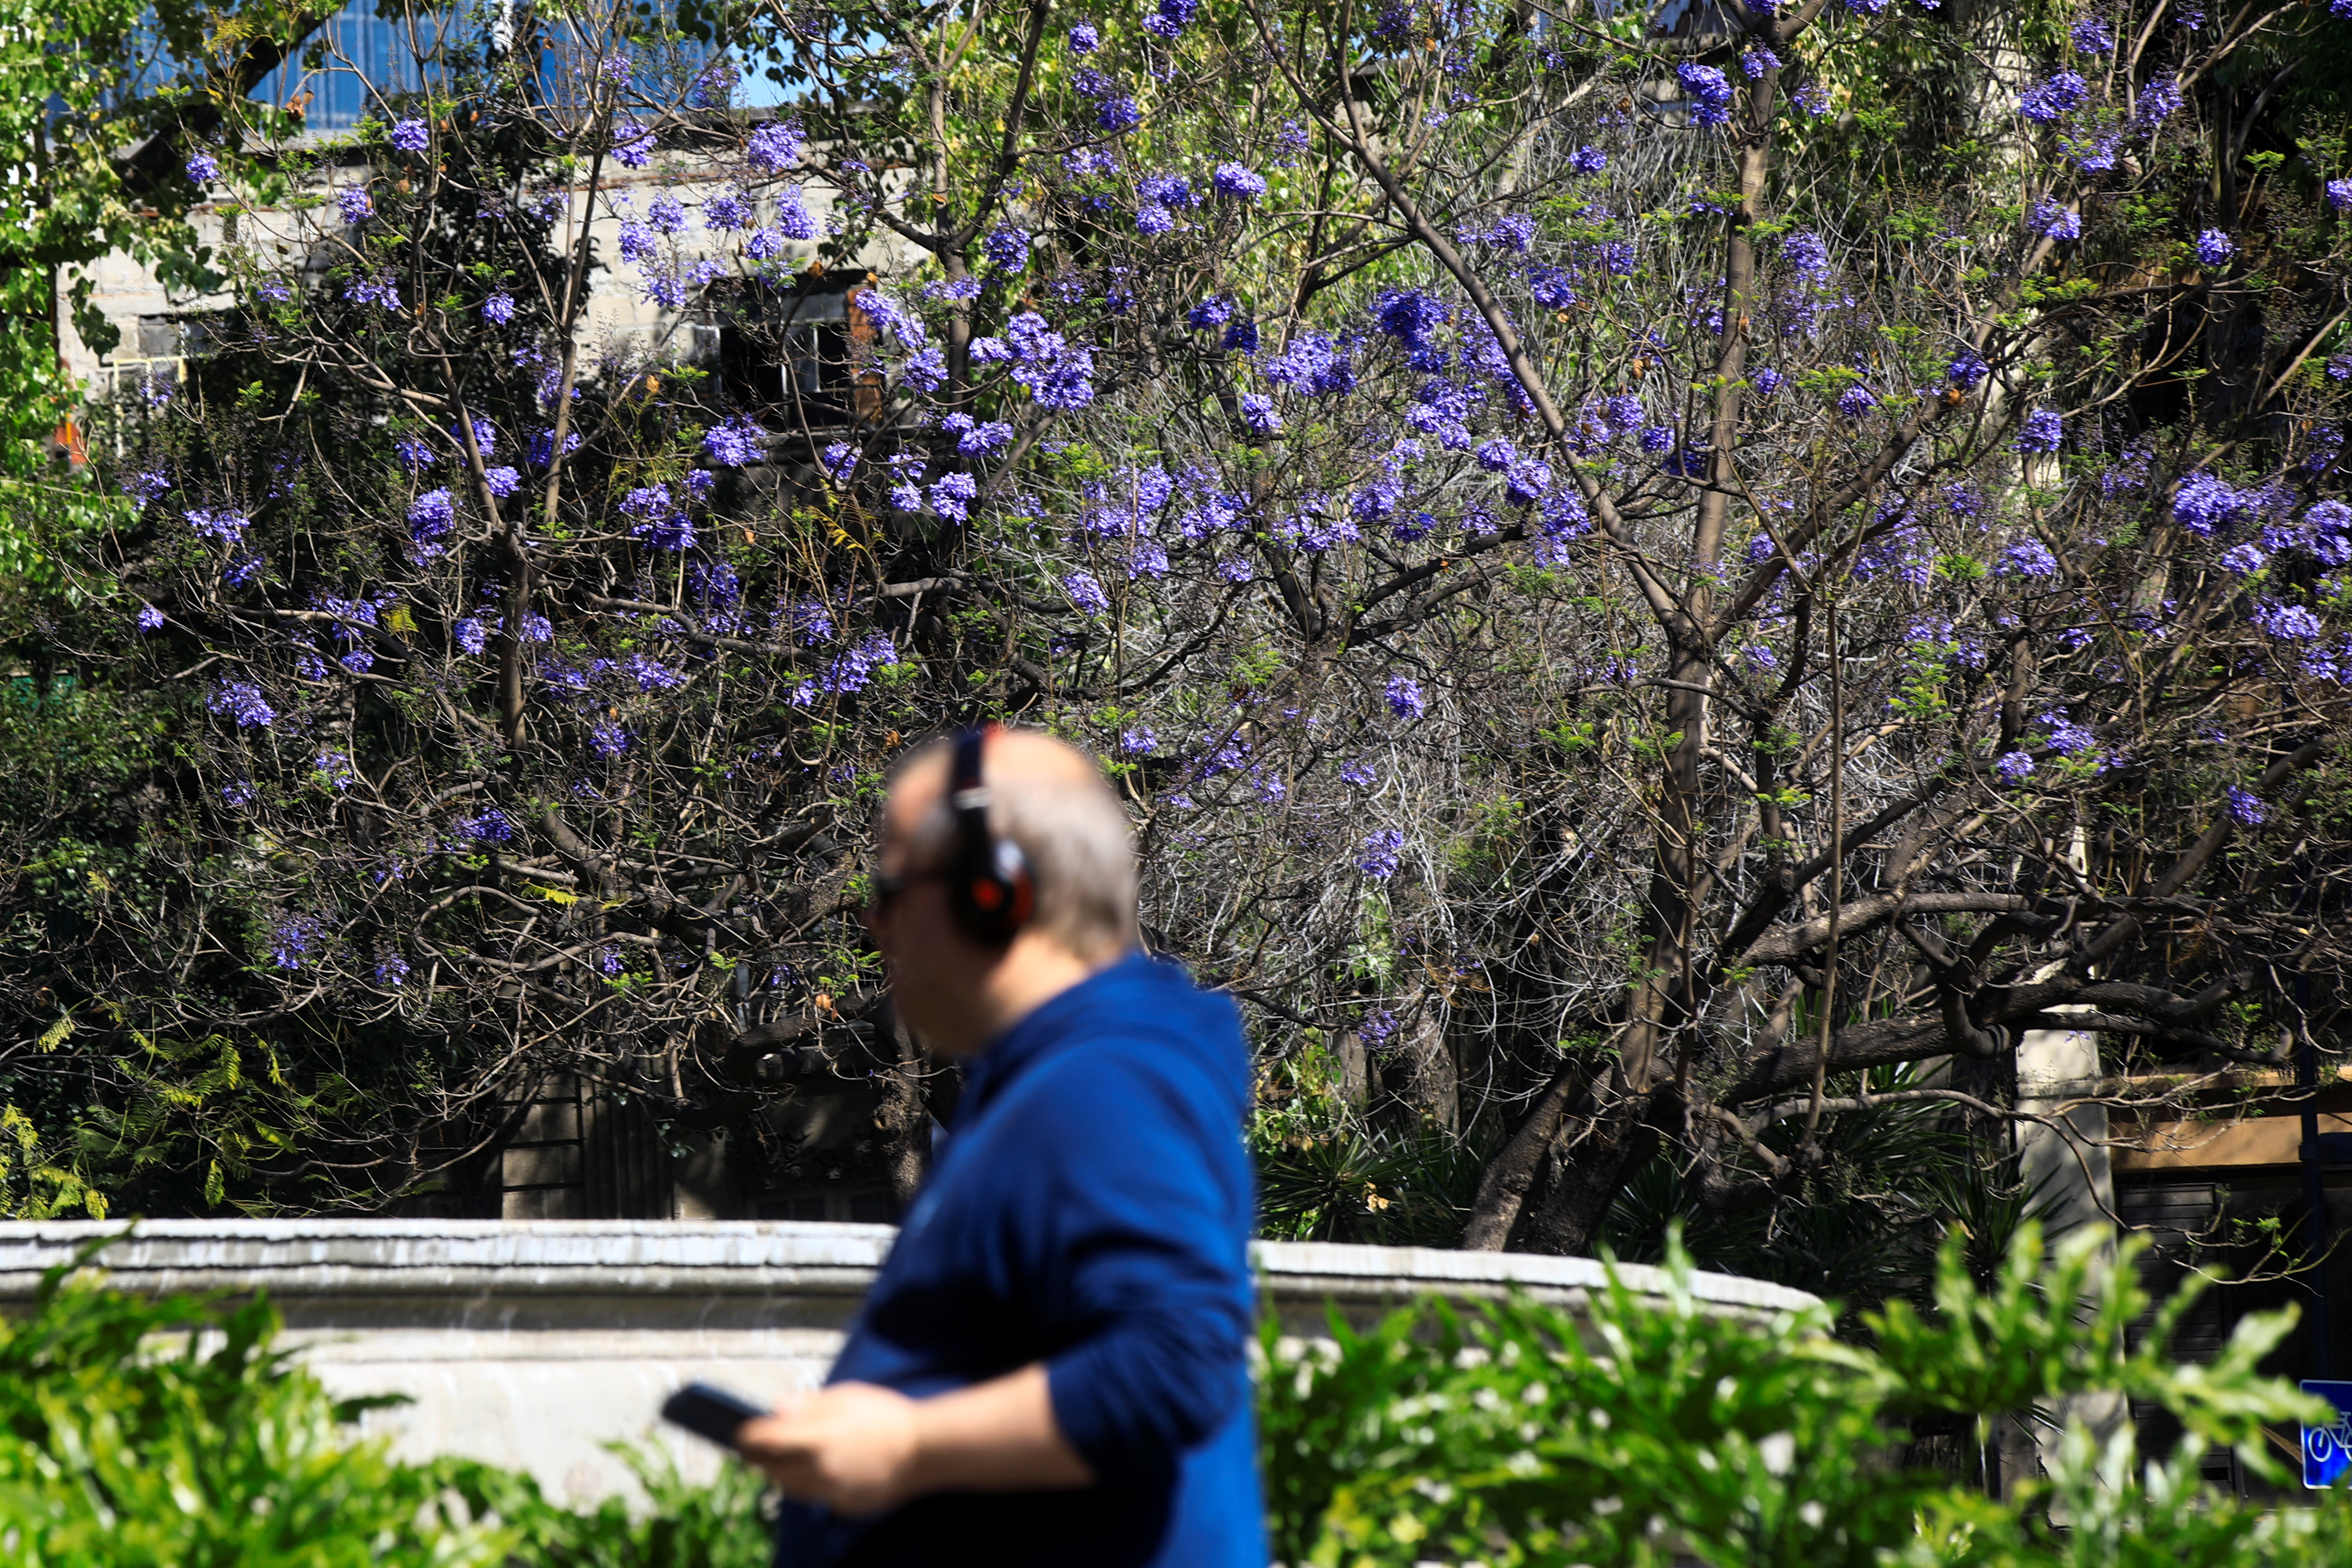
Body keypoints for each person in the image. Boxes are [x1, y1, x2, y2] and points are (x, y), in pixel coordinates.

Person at [739, 724, 1265, 1568]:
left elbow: (1173, 1358)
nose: (871, 922)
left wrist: (906, 1442)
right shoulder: (1061, 1081)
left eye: (890, 886)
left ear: (995, 890)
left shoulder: (1097, 1087)